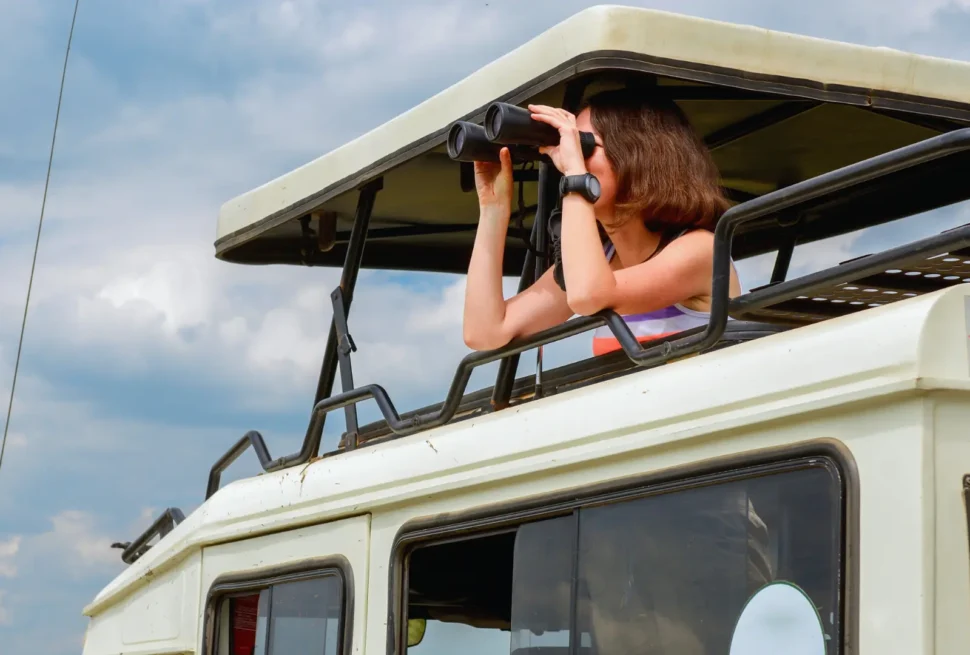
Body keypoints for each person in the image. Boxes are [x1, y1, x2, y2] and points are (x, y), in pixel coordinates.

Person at [462, 88, 744, 355]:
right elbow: (485, 332)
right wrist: (494, 209)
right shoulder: (599, 262)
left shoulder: (701, 250)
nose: (571, 159)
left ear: (639, 154)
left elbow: (588, 295)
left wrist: (575, 174)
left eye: (583, 146)